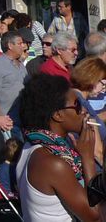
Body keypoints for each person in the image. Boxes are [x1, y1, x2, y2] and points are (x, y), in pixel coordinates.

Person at [16, 73, 100, 222]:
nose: (84, 111)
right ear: (58, 115)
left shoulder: (32, 145)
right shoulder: (52, 164)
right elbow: (94, 216)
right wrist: (88, 158)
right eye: (77, 105)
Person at [0, 31, 28, 119]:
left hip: (23, 117)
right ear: (10, 45)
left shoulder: (21, 65)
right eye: (19, 43)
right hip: (7, 119)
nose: (23, 46)